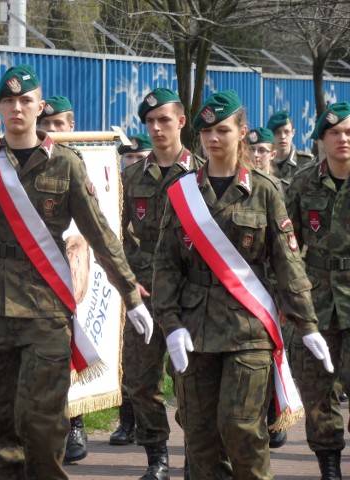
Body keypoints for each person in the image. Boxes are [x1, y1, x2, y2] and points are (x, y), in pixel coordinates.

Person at [0, 63, 153, 480]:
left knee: (42, 425)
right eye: (8, 101)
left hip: (45, 309)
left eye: (25, 101)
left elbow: (100, 236)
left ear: (39, 107)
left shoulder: (66, 165)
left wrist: (130, 295)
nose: (17, 108)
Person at [152, 90, 333, 479]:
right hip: (194, 328)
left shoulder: (265, 190)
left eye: (222, 130)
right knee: (198, 437)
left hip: (247, 328)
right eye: (206, 132)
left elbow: (287, 262)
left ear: (242, 132)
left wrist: (308, 324)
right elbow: (165, 264)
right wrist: (170, 324)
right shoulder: (182, 192)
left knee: (241, 429)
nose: (213, 139)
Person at [121, 89, 204, 480]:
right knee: (139, 383)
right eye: (150, 122)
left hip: (190, 299)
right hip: (145, 297)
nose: (156, 129)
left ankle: (193, 455)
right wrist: (127, 281)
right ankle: (157, 459)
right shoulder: (132, 176)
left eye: (164, 120)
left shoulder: (202, 175)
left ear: (182, 123)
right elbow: (114, 234)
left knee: (189, 383)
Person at [285, 101, 350, 479]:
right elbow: (283, 243)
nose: (343, 139)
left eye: (348, 132)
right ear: (322, 140)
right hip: (317, 300)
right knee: (317, 388)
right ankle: (329, 466)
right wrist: (286, 296)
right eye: (334, 133)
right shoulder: (303, 182)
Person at [37, 94, 89, 465]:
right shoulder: (28, 162)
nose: (51, 131)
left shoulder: (79, 163)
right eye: (46, 126)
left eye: (58, 125)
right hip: (34, 265)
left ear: (71, 127)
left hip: (73, 265)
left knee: (75, 342)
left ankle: (77, 422)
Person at [248, 125, 293, 450]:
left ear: (272, 154)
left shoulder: (284, 189)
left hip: (274, 286)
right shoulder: (243, 189)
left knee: (277, 353)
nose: (256, 155)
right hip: (248, 284)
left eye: (262, 150)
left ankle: (277, 415)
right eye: (252, 150)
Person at [110, 132, 153, 448]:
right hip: (131, 282)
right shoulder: (120, 186)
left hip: (171, 283)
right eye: (129, 158)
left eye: (139, 158)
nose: (133, 163)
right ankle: (127, 422)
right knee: (130, 356)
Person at [266, 110, 314, 186]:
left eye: (286, 132)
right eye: (277, 132)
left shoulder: (306, 162)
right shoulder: (264, 162)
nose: (282, 137)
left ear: (293, 133)